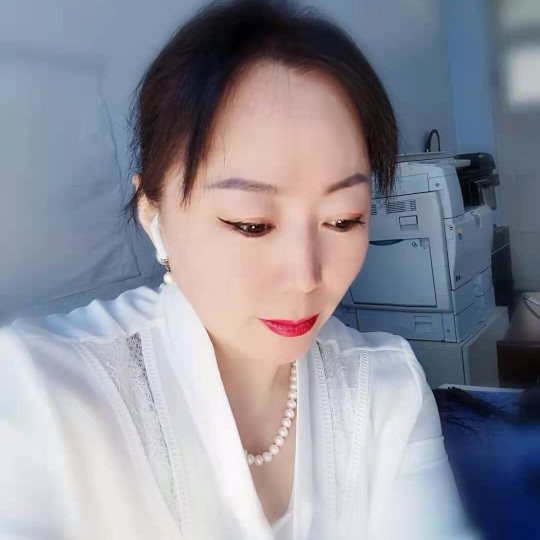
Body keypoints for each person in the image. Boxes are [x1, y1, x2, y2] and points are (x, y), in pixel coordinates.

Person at [0, 0, 480, 538]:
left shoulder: (387, 387)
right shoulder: (38, 393)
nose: (305, 277)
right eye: (251, 224)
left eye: (343, 219)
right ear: (153, 216)